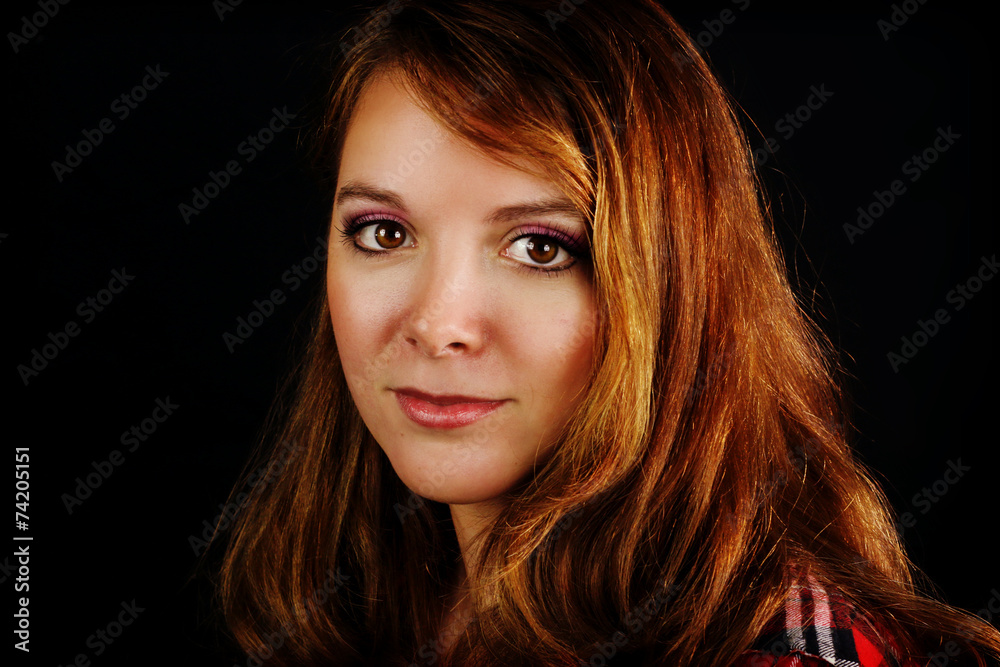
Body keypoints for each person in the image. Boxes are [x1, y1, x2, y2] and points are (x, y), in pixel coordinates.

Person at [215, 1, 1000, 665]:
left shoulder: (781, 650)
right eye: (384, 232)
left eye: (541, 247)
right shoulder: (373, 594)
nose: (437, 324)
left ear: (667, 284)